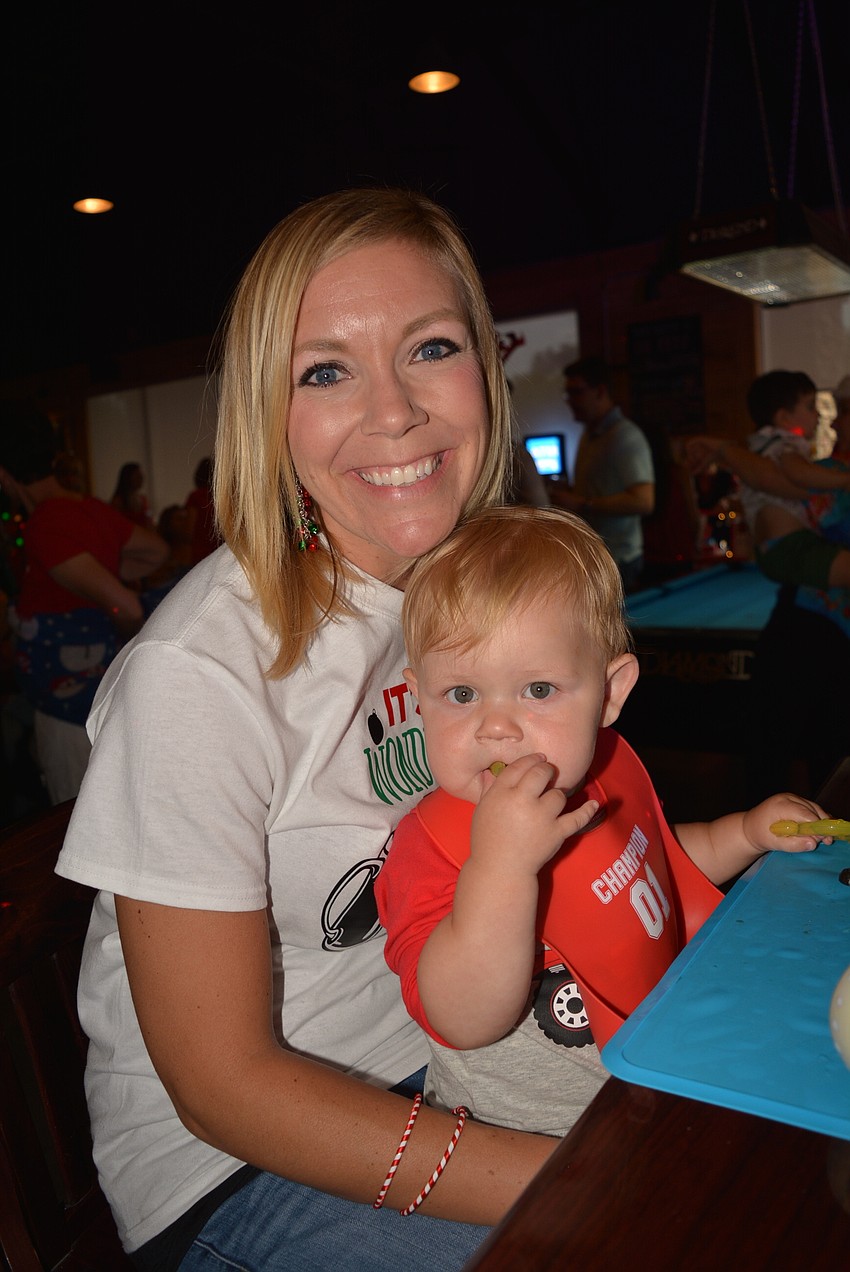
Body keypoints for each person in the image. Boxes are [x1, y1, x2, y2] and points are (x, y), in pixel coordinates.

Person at [54, 187, 563, 1272]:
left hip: (453, 1053)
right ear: (267, 417)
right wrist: (565, 1176)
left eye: (429, 348)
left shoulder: (471, 602)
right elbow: (225, 1088)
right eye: (325, 370)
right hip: (236, 1175)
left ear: (484, 365)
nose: (394, 411)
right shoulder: (196, 673)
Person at [375, 505, 832, 1138]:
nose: (497, 727)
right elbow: (462, 1017)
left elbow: (655, 868)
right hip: (530, 1142)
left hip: (653, 1080)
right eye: (460, 695)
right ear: (416, 696)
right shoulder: (432, 846)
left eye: (538, 690)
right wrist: (502, 866)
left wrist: (745, 833)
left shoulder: (596, 781)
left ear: (611, 692)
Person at [0, 403, 168, 803]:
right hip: (101, 707)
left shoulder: (44, 524)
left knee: (74, 819)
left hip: (71, 712)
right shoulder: (88, 509)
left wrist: (121, 628)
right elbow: (156, 552)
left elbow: (126, 608)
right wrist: (102, 570)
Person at [686, 370, 850, 589]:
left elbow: (777, 479)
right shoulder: (785, 446)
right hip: (792, 546)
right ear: (783, 417)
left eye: (844, 413)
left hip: (783, 548)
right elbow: (788, 479)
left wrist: (724, 451)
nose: (828, 421)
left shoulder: (768, 447)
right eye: (811, 407)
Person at [549, 355, 654, 593]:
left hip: (620, 559)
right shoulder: (590, 433)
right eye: (568, 393)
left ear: (600, 391)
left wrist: (582, 503)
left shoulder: (625, 436)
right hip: (600, 555)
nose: (570, 401)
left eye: (577, 392)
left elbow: (644, 501)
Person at [184, 455, 221, 563]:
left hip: (201, 550)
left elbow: (190, 527)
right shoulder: (222, 498)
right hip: (218, 548)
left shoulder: (196, 496)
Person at [111, 461, 153, 527]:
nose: (141, 479)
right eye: (137, 476)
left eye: (141, 476)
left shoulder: (143, 500)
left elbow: (149, 518)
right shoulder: (118, 501)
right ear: (127, 478)